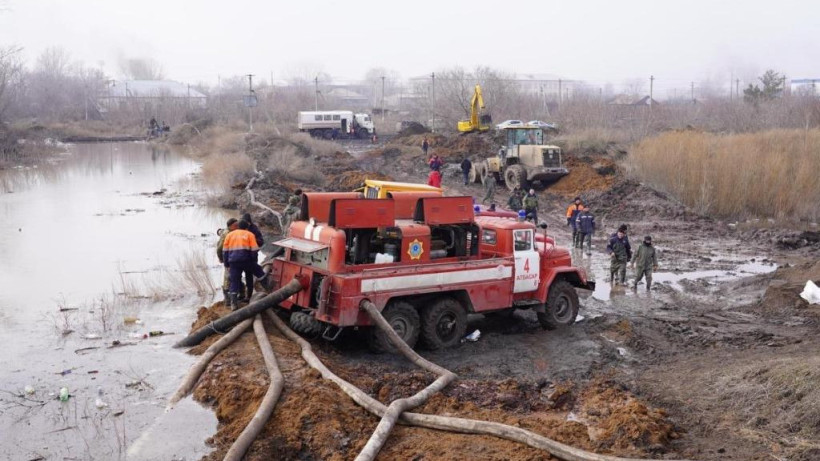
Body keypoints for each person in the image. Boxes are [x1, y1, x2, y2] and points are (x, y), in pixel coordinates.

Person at [223, 220, 266, 309]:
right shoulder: (250, 235)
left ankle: (233, 304)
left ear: (238, 226)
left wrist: (227, 265)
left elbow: (225, 252)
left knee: (234, 281)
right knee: (259, 272)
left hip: (233, 262)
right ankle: (268, 287)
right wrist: (253, 261)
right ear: (246, 228)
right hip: (247, 261)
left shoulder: (229, 235)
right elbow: (254, 250)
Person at [216, 218, 238, 303]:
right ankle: (228, 299)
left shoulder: (232, 231)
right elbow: (219, 248)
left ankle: (236, 295)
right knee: (227, 277)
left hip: (234, 257)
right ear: (231, 226)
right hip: (228, 257)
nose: (237, 226)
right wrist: (221, 258)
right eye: (236, 225)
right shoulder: (227, 234)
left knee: (234, 275)